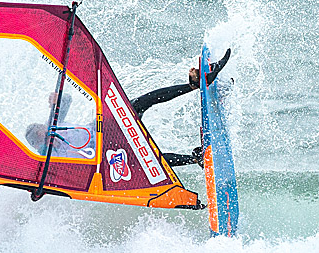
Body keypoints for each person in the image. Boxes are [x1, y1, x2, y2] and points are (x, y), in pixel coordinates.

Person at [25, 47, 231, 167]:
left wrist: (57, 98)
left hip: (105, 128)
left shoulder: (54, 122)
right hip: (107, 152)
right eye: (44, 138)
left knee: (139, 103)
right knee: (146, 162)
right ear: (39, 146)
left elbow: (67, 100)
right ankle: (197, 159)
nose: (50, 136)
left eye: (47, 132)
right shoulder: (49, 159)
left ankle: (195, 85)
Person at [130, 47, 230, 168]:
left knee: (136, 105)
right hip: (113, 149)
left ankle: (195, 85)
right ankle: (196, 159)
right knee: (144, 160)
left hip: (110, 127)